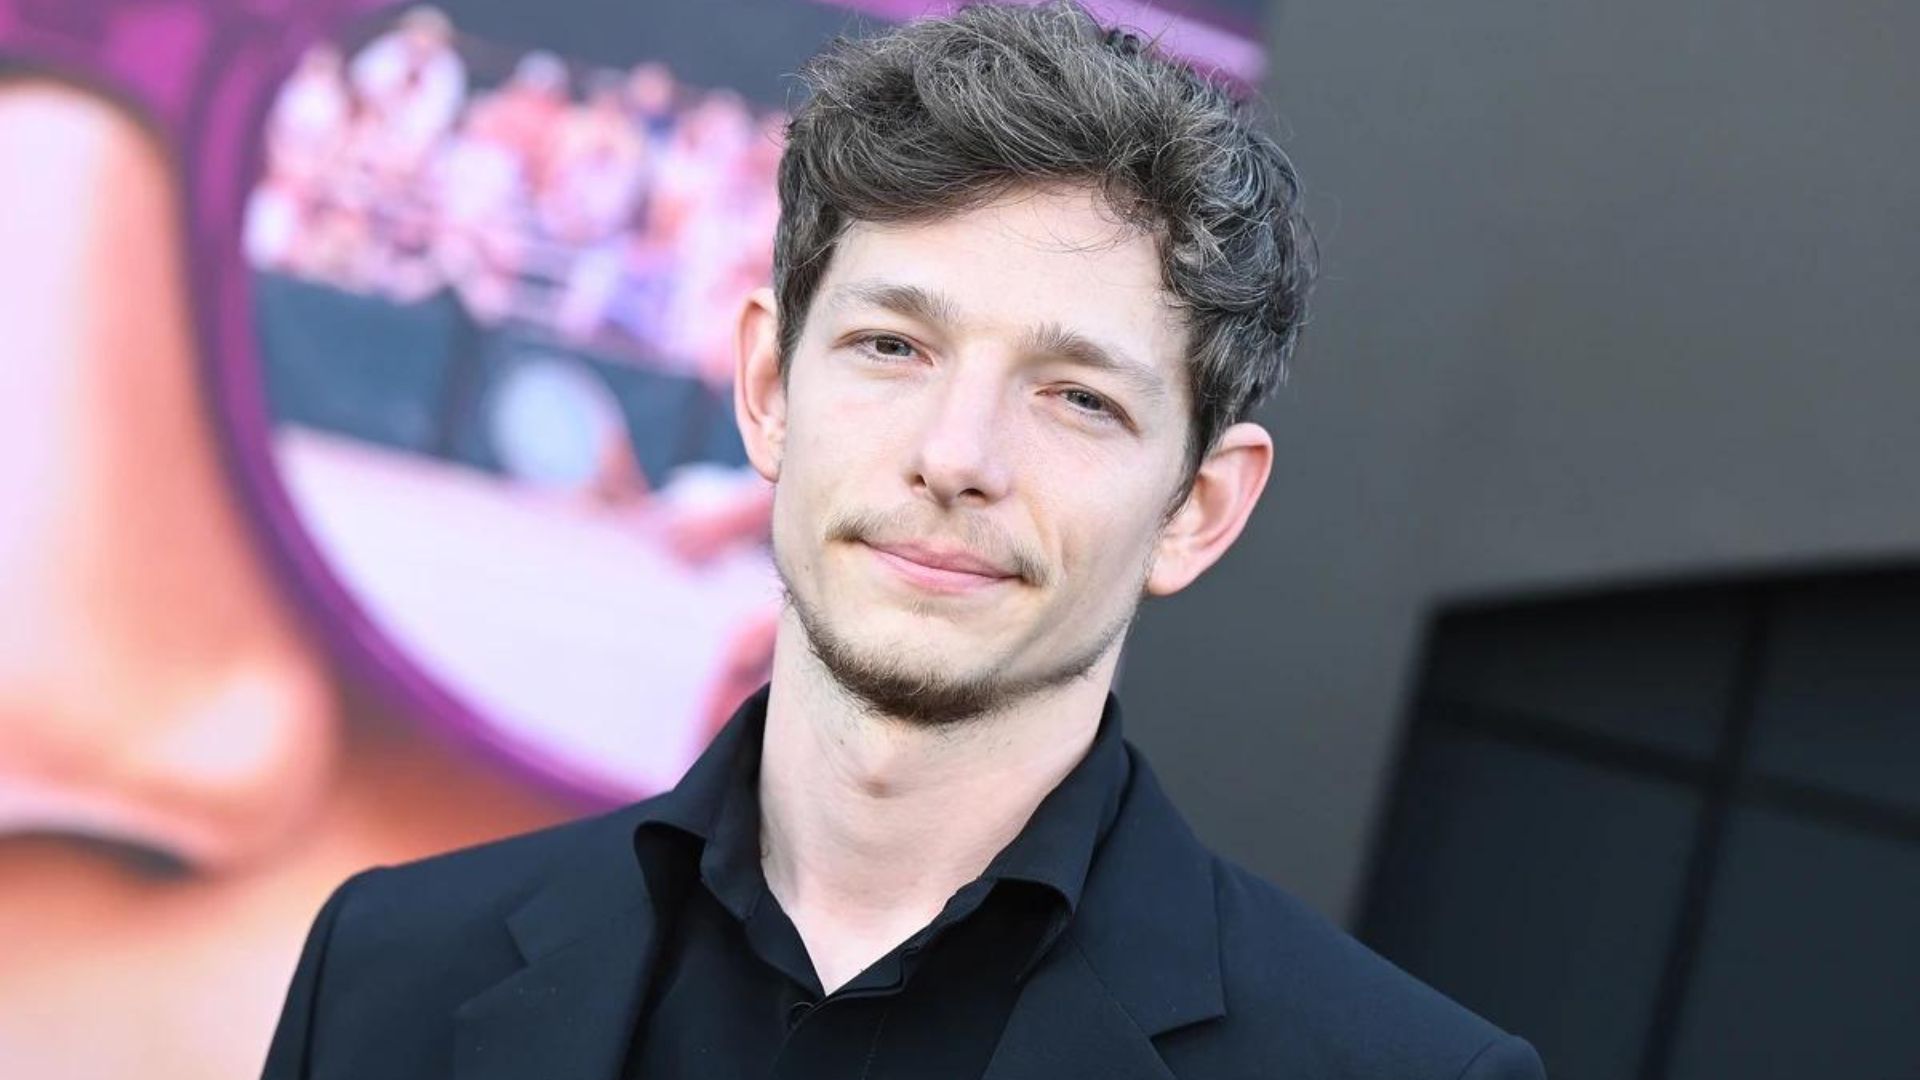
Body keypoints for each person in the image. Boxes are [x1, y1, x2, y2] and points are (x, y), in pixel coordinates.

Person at [260, 4, 1548, 1078]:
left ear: (1199, 508)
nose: (957, 455)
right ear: (769, 385)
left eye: (1078, 397)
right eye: (894, 348)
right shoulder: (387, 976)